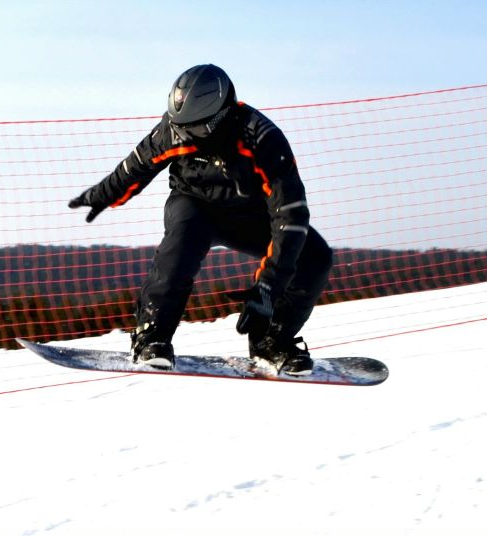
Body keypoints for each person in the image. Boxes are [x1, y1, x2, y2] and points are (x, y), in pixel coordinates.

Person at [69, 64, 333, 375]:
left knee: (315, 257)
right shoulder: (173, 128)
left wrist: (268, 287)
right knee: (180, 245)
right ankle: (151, 337)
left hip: (249, 214)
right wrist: (103, 194)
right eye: (178, 125)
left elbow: (291, 214)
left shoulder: (263, 139)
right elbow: (135, 166)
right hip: (194, 205)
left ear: (220, 116)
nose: (182, 134)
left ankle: (272, 340)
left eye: (192, 128)